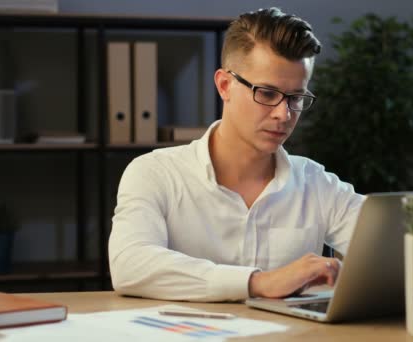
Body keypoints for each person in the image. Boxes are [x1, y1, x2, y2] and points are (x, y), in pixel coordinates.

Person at [108, 7, 365, 302]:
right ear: (225, 85)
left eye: (296, 98)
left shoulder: (317, 184)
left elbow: (393, 250)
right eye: (267, 93)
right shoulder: (154, 173)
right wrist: (258, 282)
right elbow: (130, 264)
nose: (284, 114)